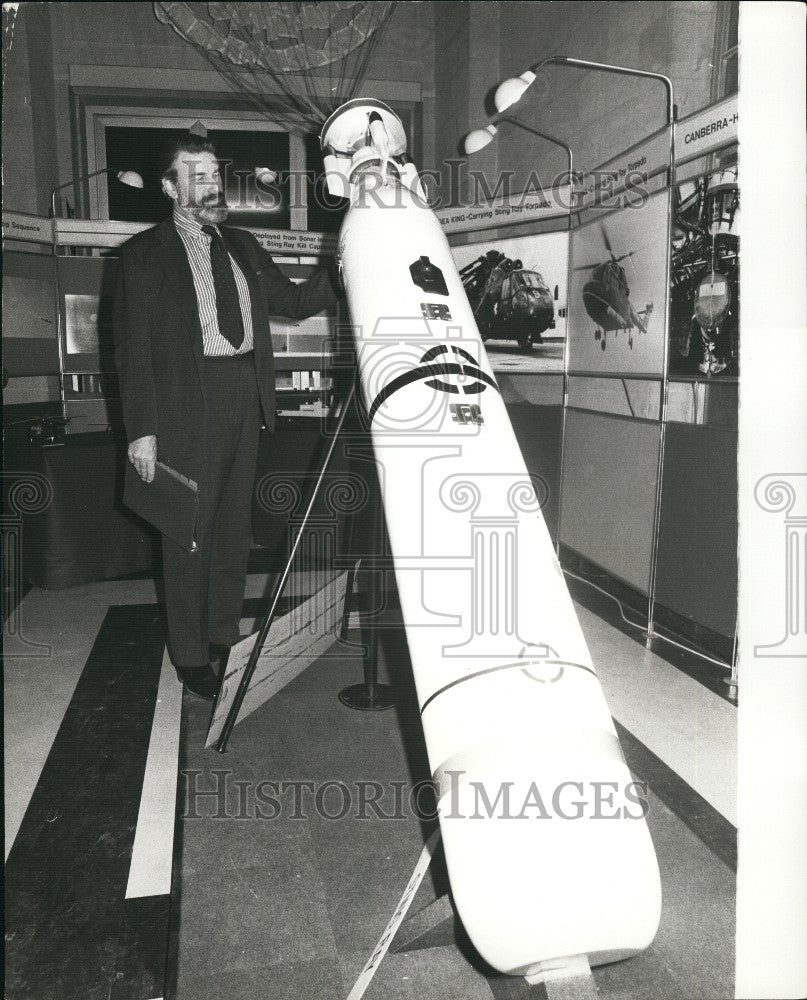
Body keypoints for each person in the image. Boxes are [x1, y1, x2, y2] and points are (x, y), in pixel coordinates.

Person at [113, 135, 338, 699]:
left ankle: (220, 635)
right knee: (188, 530)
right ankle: (190, 654)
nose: (211, 184)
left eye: (215, 172)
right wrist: (142, 430)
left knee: (232, 531)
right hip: (184, 401)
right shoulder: (143, 254)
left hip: (243, 393)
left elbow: (292, 303)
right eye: (196, 174)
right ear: (170, 188)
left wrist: (343, 263)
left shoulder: (242, 244)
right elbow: (131, 348)